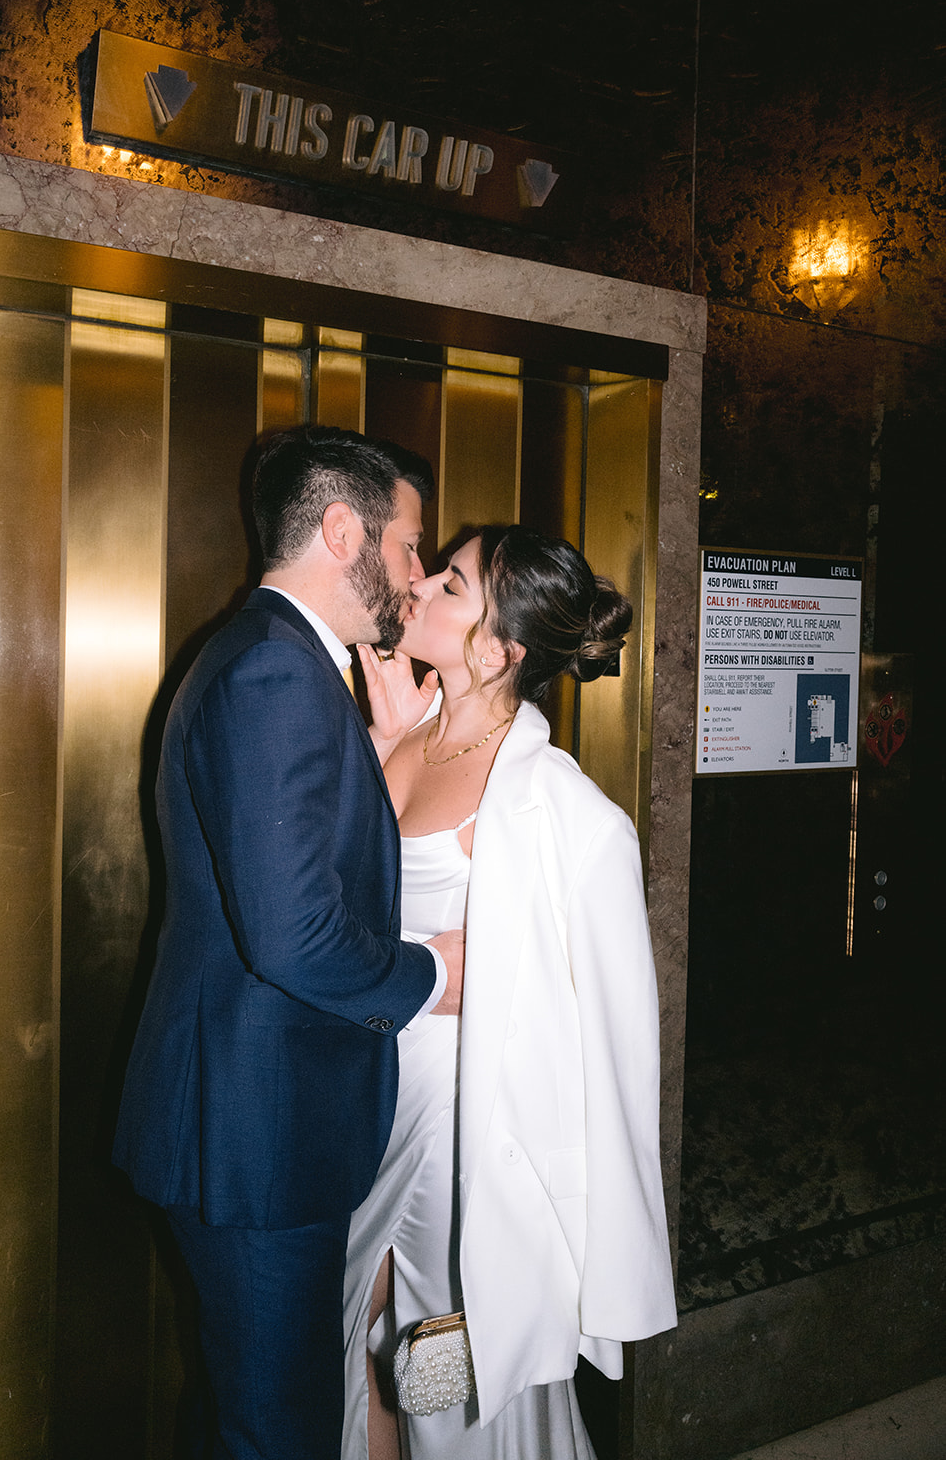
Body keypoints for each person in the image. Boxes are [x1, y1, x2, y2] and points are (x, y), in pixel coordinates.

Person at [113, 426, 466, 1460]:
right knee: (282, 1429)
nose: (414, 575)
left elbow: (293, 851)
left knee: (285, 1406)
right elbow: (295, 931)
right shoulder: (276, 672)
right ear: (341, 527)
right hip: (257, 1134)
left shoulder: (279, 663)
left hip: (278, 1122)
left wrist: (384, 749)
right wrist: (440, 972)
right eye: (408, 547)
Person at [342, 524, 677, 1460]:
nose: (420, 586)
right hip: (359, 1095)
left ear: (497, 647)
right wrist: (379, 738)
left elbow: (615, 1048)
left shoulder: (564, 811)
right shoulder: (395, 732)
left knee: (446, 1371)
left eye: (450, 585)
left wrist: (601, 1252)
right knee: (353, 1353)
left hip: (468, 1130)